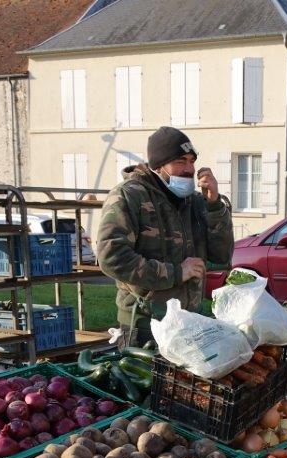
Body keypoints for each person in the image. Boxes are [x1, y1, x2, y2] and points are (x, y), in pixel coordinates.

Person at [96, 126, 234, 343]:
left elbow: (222, 256)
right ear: (158, 166)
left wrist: (215, 206)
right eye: (180, 161)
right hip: (145, 327)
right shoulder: (129, 196)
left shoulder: (195, 202)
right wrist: (176, 273)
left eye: (192, 161)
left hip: (190, 324)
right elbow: (112, 257)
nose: (189, 169)